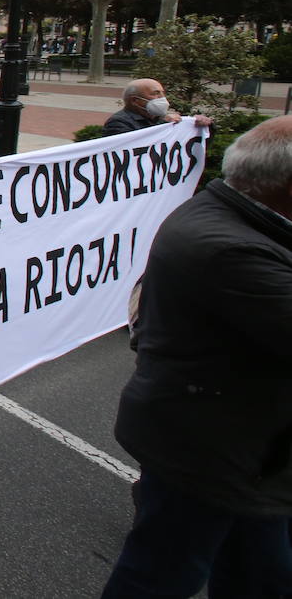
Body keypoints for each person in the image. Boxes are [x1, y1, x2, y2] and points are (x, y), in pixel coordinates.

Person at [101, 116, 292, 598]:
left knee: (262, 573)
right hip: (211, 449)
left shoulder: (233, 217)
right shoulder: (228, 249)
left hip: (250, 451)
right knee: (161, 574)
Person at [102, 78, 205, 136]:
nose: (162, 97)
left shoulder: (158, 118)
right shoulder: (118, 123)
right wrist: (164, 124)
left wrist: (199, 125)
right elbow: (138, 147)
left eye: (162, 93)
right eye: (155, 93)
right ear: (135, 100)